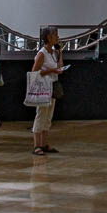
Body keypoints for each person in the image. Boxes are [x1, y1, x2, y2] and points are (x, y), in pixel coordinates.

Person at [31, 26, 64, 155]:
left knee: (48, 116)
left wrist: (60, 53)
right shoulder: (42, 53)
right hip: (43, 87)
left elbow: (59, 67)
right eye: (55, 35)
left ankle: (44, 144)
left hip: (52, 87)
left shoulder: (53, 53)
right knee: (41, 115)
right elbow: (34, 72)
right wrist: (51, 71)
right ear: (49, 37)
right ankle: (36, 145)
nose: (57, 37)